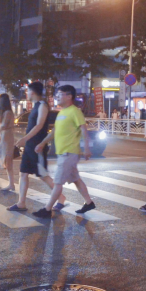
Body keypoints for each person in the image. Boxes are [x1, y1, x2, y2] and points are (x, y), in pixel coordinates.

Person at [32, 85, 96, 218]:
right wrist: (43, 143)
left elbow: (83, 129)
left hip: (69, 152)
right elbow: (55, 131)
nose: (57, 97)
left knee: (58, 182)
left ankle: (47, 209)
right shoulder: (61, 112)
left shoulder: (75, 111)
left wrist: (87, 149)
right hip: (63, 153)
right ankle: (89, 202)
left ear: (69, 96)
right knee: (76, 179)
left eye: (60, 94)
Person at [7, 82, 62, 211]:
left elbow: (39, 125)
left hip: (37, 146)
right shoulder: (36, 106)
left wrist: (24, 139)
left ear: (32, 92)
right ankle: (21, 203)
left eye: (27, 91)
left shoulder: (43, 106)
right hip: (30, 146)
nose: (26, 93)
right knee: (23, 173)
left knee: (43, 175)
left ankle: (61, 198)